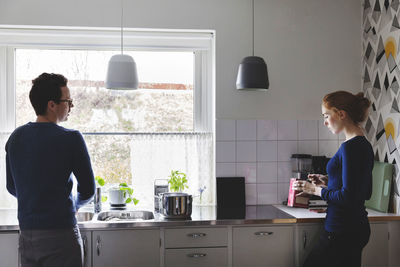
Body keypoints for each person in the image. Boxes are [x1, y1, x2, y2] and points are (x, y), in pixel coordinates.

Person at [5, 73, 95, 267]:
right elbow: (88, 189)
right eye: (68, 101)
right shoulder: (71, 138)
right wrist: (76, 205)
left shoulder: (15, 138)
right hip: (61, 236)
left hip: (27, 236)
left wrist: (34, 199)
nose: (71, 106)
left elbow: (12, 187)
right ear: (51, 105)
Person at [292, 90, 374, 267]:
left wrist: (314, 190)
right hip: (355, 228)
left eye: (327, 115)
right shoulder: (363, 145)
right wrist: (328, 181)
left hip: (341, 230)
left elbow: (348, 196)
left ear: (341, 114)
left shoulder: (350, 148)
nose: (325, 122)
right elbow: (364, 190)